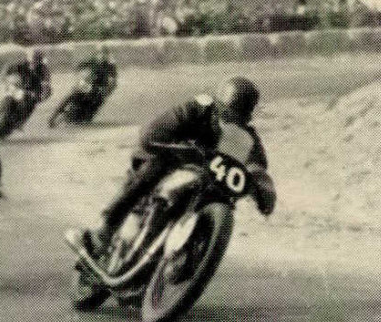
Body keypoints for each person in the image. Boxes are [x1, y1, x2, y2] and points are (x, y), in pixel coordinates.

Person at [76, 75, 276, 257]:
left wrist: (264, 189)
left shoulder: (248, 139)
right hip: (169, 163)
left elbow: (257, 168)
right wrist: (168, 144)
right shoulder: (199, 108)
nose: (228, 121)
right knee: (157, 165)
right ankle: (105, 228)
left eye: (236, 119)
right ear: (217, 104)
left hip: (204, 186)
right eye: (225, 114)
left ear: (247, 119)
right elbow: (157, 128)